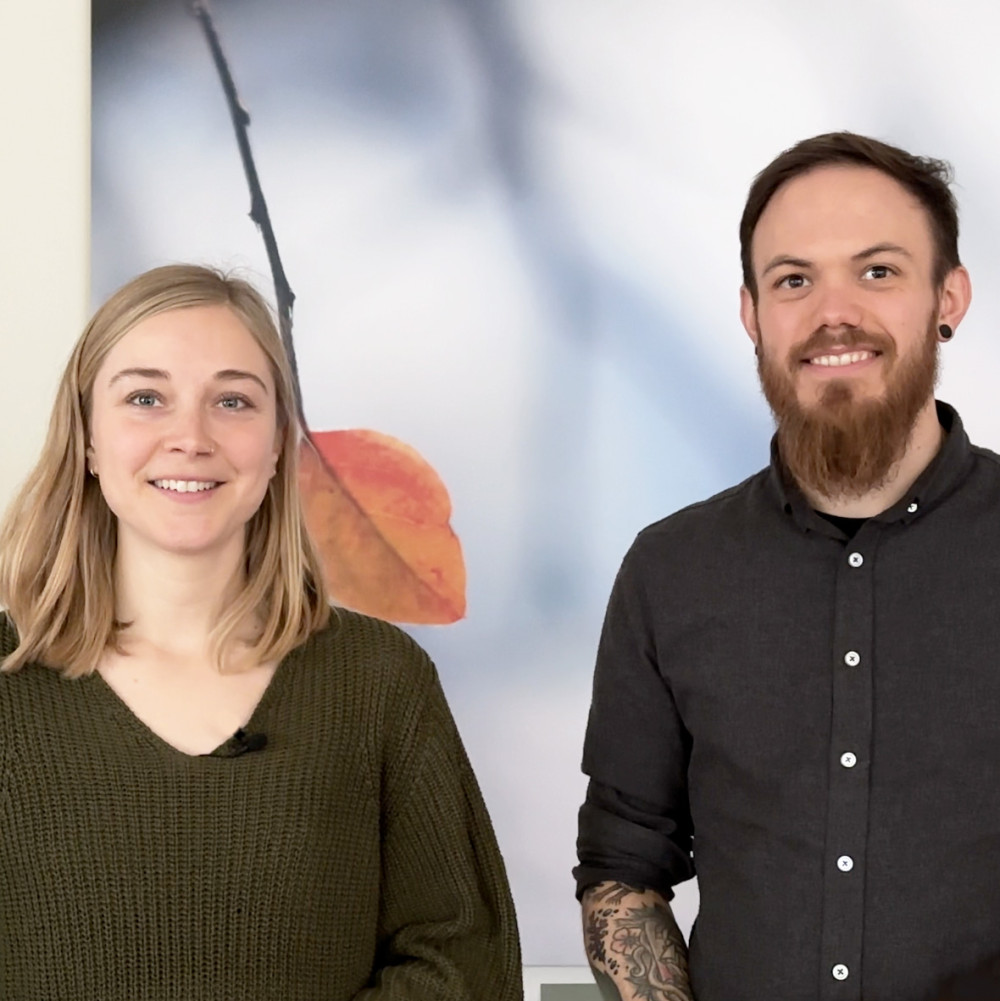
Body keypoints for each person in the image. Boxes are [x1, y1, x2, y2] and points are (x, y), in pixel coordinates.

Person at [0, 263, 522, 1000]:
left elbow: (464, 962)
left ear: (279, 443)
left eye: (233, 401)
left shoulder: (379, 681)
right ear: (86, 436)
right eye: (146, 398)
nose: (190, 437)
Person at [574, 131, 1000, 1001]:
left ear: (947, 297)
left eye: (877, 271)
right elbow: (623, 867)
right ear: (752, 315)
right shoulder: (671, 570)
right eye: (794, 280)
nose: (831, 313)